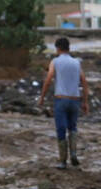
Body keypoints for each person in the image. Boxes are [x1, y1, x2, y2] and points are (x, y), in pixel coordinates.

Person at [38, 37, 90, 169]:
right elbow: (84, 82)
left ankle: (62, 161)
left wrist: (42, 97)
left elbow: (48, 79)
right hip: (75, 100)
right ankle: (73, 153)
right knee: (73, 128)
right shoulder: (76, 62)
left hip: (61, 99)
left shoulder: (55, 61)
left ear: (57, 48)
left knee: (61, 129)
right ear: (69, 48)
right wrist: (85, 101)